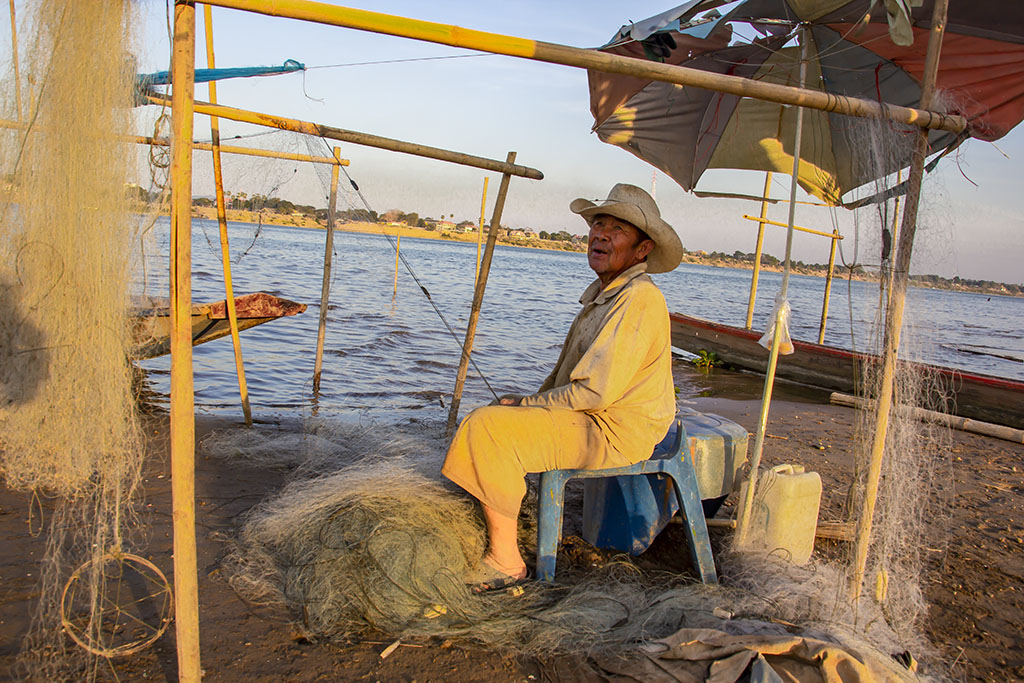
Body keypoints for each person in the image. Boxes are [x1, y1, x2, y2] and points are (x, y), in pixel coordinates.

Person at [442, 183, 683, 591]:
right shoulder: (603, 297)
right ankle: (504, 525)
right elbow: (561, 380)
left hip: (616, 431)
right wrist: (524, 404)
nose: (601, 235)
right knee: (492, 416)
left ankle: (506, 562)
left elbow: (593, 393)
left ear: (643, 250)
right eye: (598, 225)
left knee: (488, 429)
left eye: (617, 230)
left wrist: (530, 405)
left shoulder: (639, 298)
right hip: (594, 419)